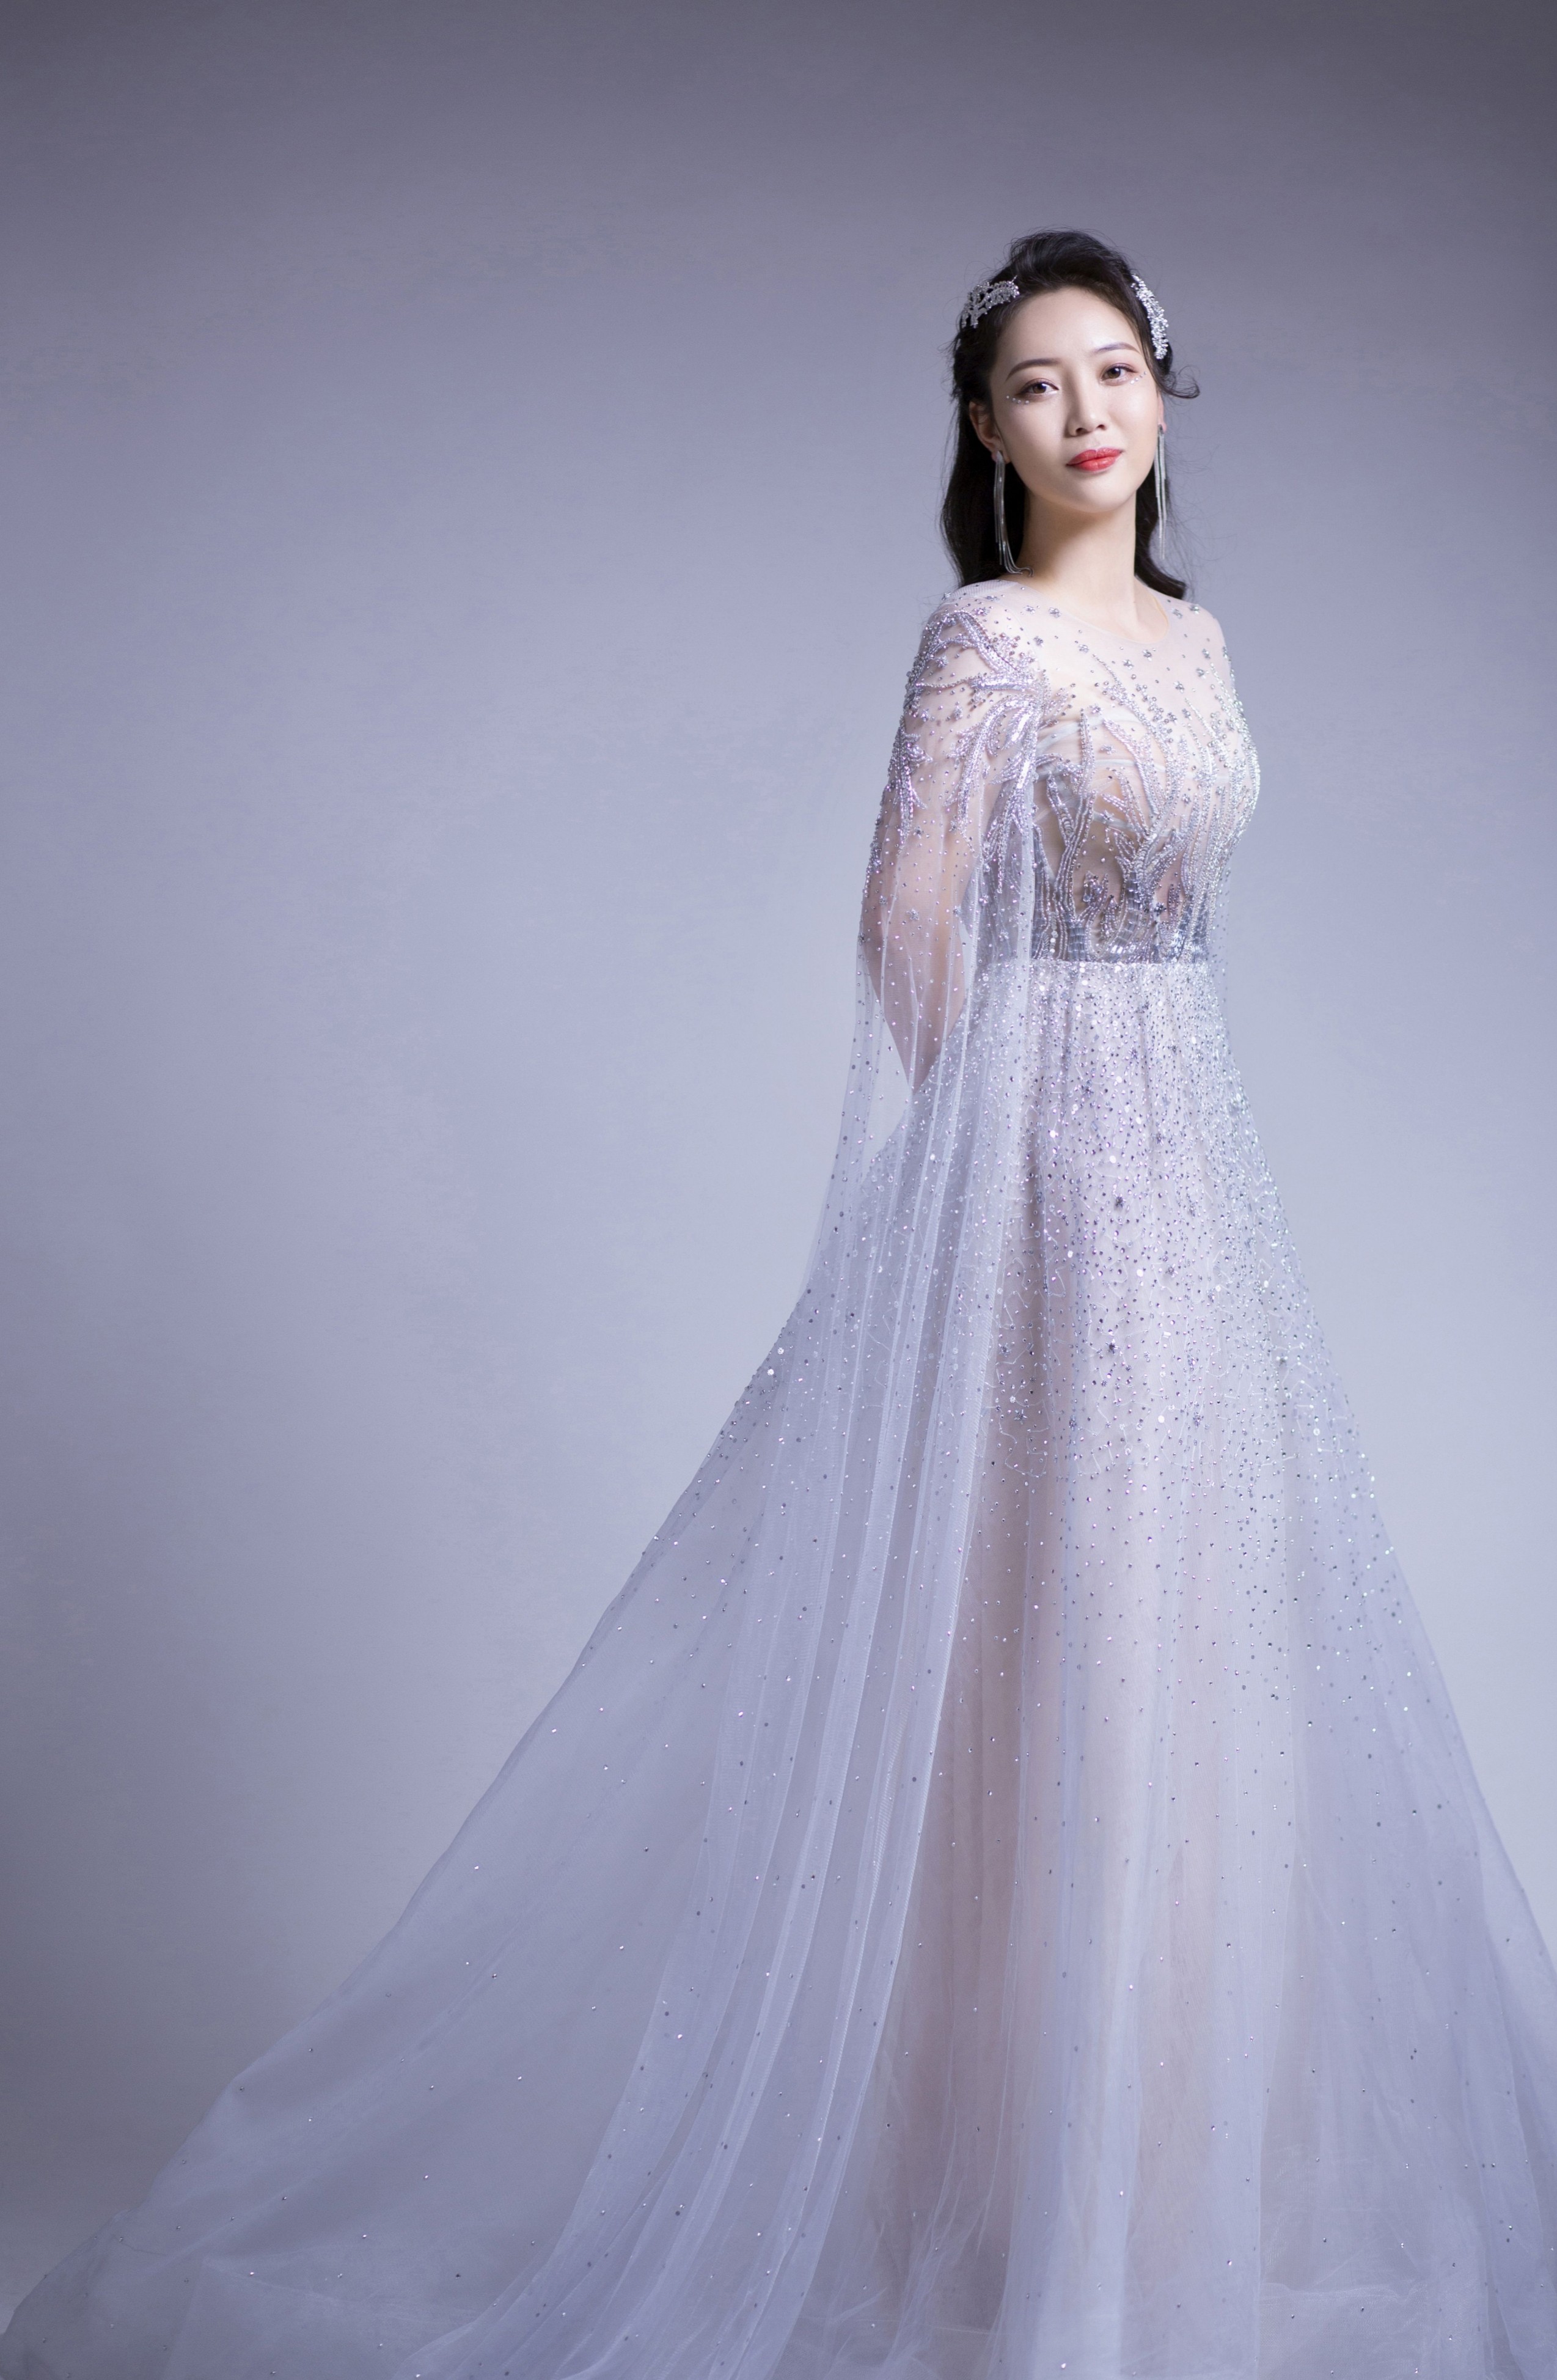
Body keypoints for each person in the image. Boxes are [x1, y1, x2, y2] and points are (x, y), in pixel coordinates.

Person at [5, 227, 1555, 2380]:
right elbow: (902, 917)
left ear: (1163, 393)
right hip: (1041, 1176)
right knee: (1040, 1667)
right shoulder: (981, 637)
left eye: (1114, 371)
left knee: (1172, 1674)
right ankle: (1006, 2218)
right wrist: (1004, 1158)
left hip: (1199, 1178)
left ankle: (1119, 2207)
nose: (1085, 412)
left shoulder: (1198, 644)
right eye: (1037, 384)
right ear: (984, 427)